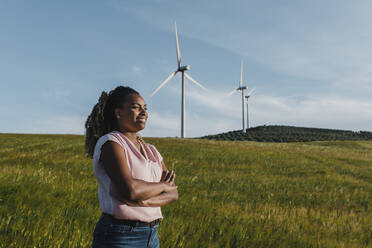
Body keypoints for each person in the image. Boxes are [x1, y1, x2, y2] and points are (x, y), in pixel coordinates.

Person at [85, 86, 178, 248]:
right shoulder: (112, 143)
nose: (144, 112)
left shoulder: (152, 150)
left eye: (145, 108)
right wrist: (163, 185)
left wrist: (142, 202)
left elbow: (173, 194)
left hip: (152, 235)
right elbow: (131, 190)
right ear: (118, 112)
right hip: (120, 236)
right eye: (136, 107)